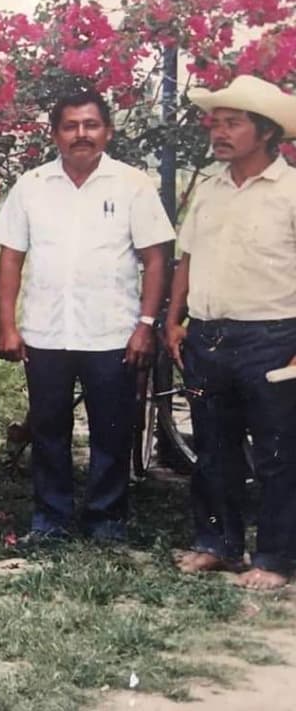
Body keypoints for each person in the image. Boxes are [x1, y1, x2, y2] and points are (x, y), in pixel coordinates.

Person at [0, 89, 173, 544]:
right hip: (47, 331)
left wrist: (145, 325)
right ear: (55, 134)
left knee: (111, 429)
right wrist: (9, 325)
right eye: (70, 126)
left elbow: (156, 259)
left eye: (90, 125)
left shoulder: (133, 184)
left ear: (107, 131)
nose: (81, 135)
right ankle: (50, 520)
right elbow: (10, 259)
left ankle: (105, 520)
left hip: (112, 332)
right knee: (49, 428)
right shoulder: (31, 185)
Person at [165, 74, 296, 590]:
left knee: (277, 453)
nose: (218, 132)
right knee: (213, 449)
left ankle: (274, 559)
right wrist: (174, 320)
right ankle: (218, 546)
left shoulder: (290, 192)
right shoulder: (210, 190)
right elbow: (187, 258)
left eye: (233, 123)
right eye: (216, 123)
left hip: (273, 339)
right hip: (207, 337)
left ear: (265, 132)